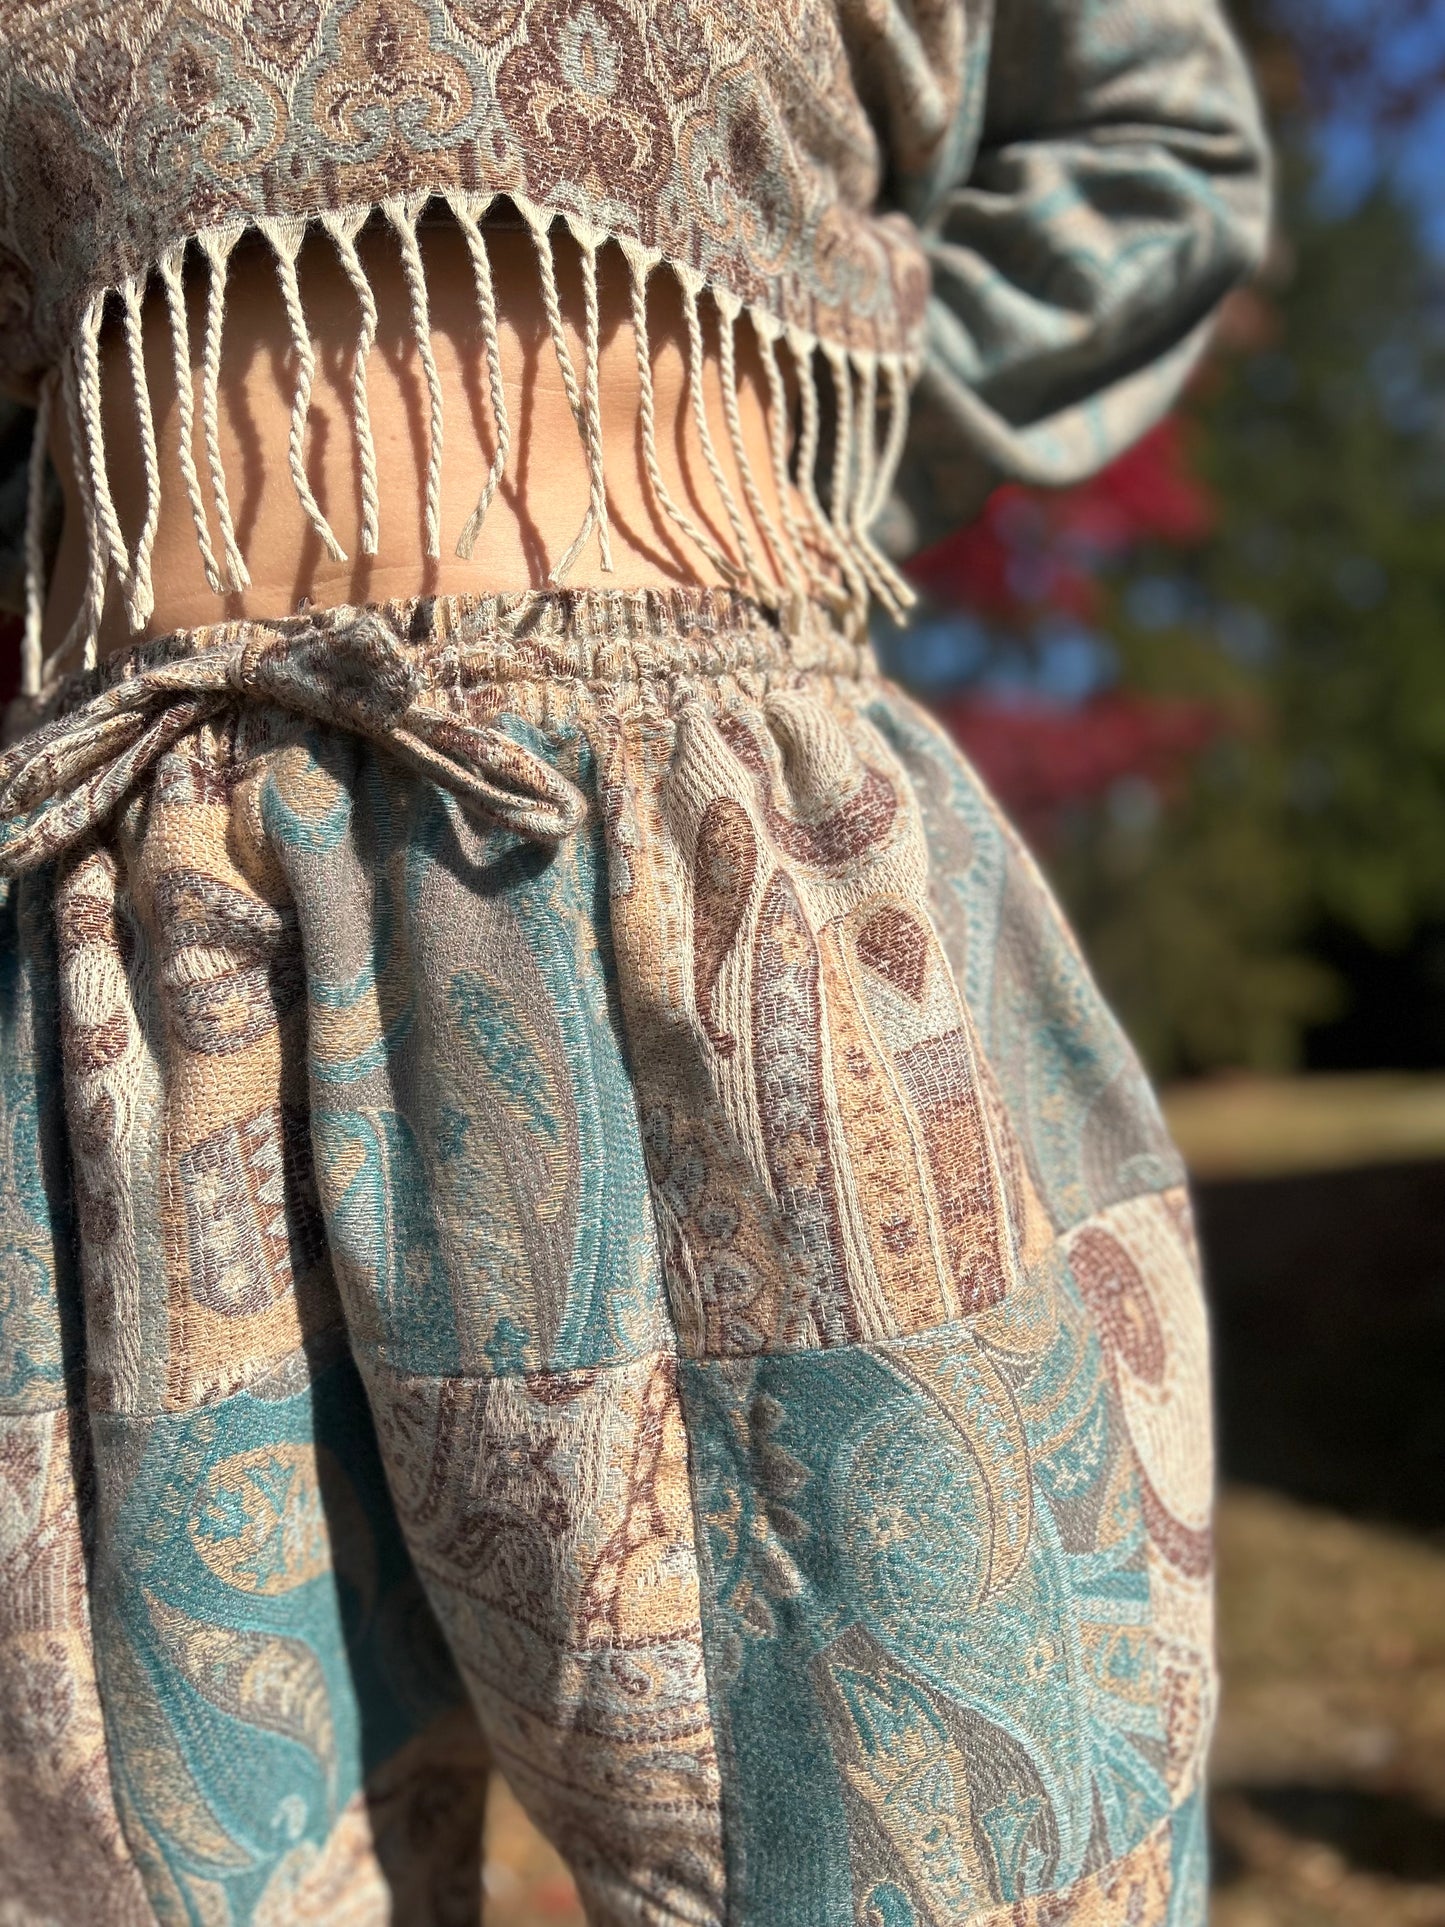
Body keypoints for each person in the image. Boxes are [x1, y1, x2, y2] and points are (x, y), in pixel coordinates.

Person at [0, 2, 1268, 1921]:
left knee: (950, 1856)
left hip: (744, 911)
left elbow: (1155, 147)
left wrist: (757, 460)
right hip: (132, 947)